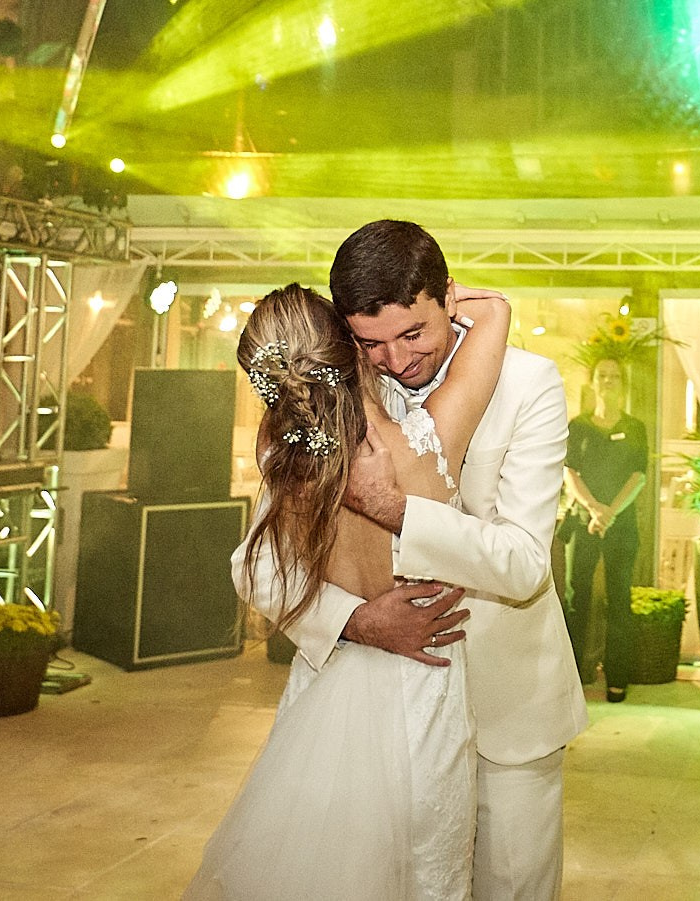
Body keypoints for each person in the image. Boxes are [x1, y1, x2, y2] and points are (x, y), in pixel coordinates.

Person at [234, 220, 584, 901]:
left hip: (510, 706)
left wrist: (396, 509)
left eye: (414, 333)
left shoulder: (528, 382)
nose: (396, 358)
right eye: (372, 341)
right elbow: (257, 563)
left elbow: (521, 563)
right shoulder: (326, 398)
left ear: (447, 297)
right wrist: (357, 621)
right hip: (378, 713)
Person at [187, 278, 509, 900]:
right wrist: (358, 618)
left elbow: (263, 566)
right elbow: (494, 314)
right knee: (426, 870)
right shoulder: (426, 441)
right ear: (354, 346)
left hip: (326, 688)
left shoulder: (282, 454)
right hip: (423, 681)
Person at [561, 357, 649, 703]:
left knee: (619, 600)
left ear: (622, 384)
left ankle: (617, 678)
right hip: (584, 523)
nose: (608, 381)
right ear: (593, 383)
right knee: (575, 599)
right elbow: (571, 472)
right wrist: (594, 509)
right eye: (602, 376)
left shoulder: (636, 427)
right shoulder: (578, 426)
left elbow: (638, 476)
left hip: (621, 524)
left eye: (615, 376)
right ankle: (574, 676)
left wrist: (610, 512)